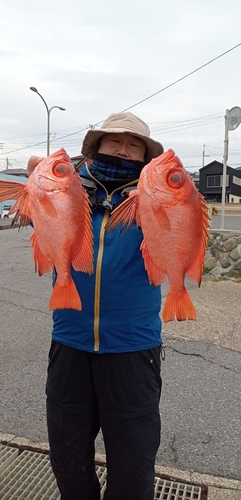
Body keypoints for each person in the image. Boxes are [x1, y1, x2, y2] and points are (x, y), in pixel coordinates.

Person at [31, 112, 164, 500]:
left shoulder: (152, 198)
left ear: (145, 156)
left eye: (134, 144)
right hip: (69, 342)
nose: (123, 149)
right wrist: (42, 181)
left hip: (134, 349)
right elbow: (37, 189)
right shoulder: (67, 189)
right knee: (67, 457)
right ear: (96, 146)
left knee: (134, 464)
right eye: (114, 141)